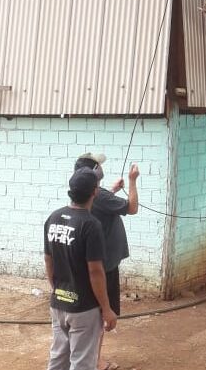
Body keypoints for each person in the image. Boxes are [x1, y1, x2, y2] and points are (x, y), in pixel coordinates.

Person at [44, 167, 117, 370]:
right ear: (95, 192)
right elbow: (95, 271)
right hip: (83, 309)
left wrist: (57, 288)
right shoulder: (91, 225)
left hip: (58, 303)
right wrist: (106, 308)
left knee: (58, 358)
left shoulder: (54, 218)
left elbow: (48, 261)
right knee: (83, 362)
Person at [73, 153, 139, 370]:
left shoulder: (92, 196)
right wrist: (132, 181)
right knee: (101, 316)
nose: (101, 167)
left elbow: (99, 202)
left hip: (102, 262)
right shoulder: (100, 196)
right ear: (94, 173)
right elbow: (132, 208)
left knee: (93, 317)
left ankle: (91, 359)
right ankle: (96, 361)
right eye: (98, 165)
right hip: (105, 265)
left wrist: (112, 191)